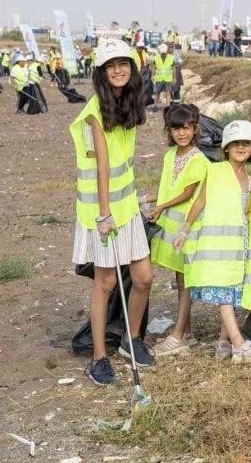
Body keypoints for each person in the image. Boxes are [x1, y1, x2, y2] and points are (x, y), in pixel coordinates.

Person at [69, 38, 153, 386]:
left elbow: (122, 163)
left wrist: (137, 199)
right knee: (105, 282)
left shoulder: (128, 104)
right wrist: (104, 215)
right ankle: (99, 357)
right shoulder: (94, 112)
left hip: (127, 204)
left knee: (144, 277)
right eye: (110, 66)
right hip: (101, 212)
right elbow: (103, 166)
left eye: (123, 64)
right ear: (101, 73)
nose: (118, 70)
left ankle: (130, 341)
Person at [173, 120, 251, 363]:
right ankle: (239, 344)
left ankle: (223, 340)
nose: (241, 147)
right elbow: (200, 201)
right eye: (236, 143)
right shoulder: (216, 171)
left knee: (233, 292)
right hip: (218, 245)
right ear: (226, 148)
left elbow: (247, 212)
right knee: (225, 294)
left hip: (238, 245)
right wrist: (185, 229)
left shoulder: (250, 183)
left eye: (246, 143)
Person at [145, 104, 209, 356]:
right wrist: (148, 199)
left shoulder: (198, 159)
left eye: (186, 128)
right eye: (176, 128)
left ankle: (178, 336)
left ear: (194, 129)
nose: (181, 133)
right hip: (171, 229)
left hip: (188, 228)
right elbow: (167, 188)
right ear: (168, 131)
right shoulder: (170, 156)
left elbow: (187, 193)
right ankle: (187, 331)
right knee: (180, 278)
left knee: (185, 281)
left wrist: (160, 205)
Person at [151, 44, 174, 112]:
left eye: (164, 53)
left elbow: (173, 68)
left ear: (166, 51)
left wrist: (174, 77)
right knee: (157, 92)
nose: (163, 54)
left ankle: (168, 107)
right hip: (159, 78)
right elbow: (154, 68)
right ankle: (155, 106)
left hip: (168, 78)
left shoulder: (171, 57)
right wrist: (152, 75)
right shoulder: (156, 57)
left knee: (168, 92)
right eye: (162, 53)